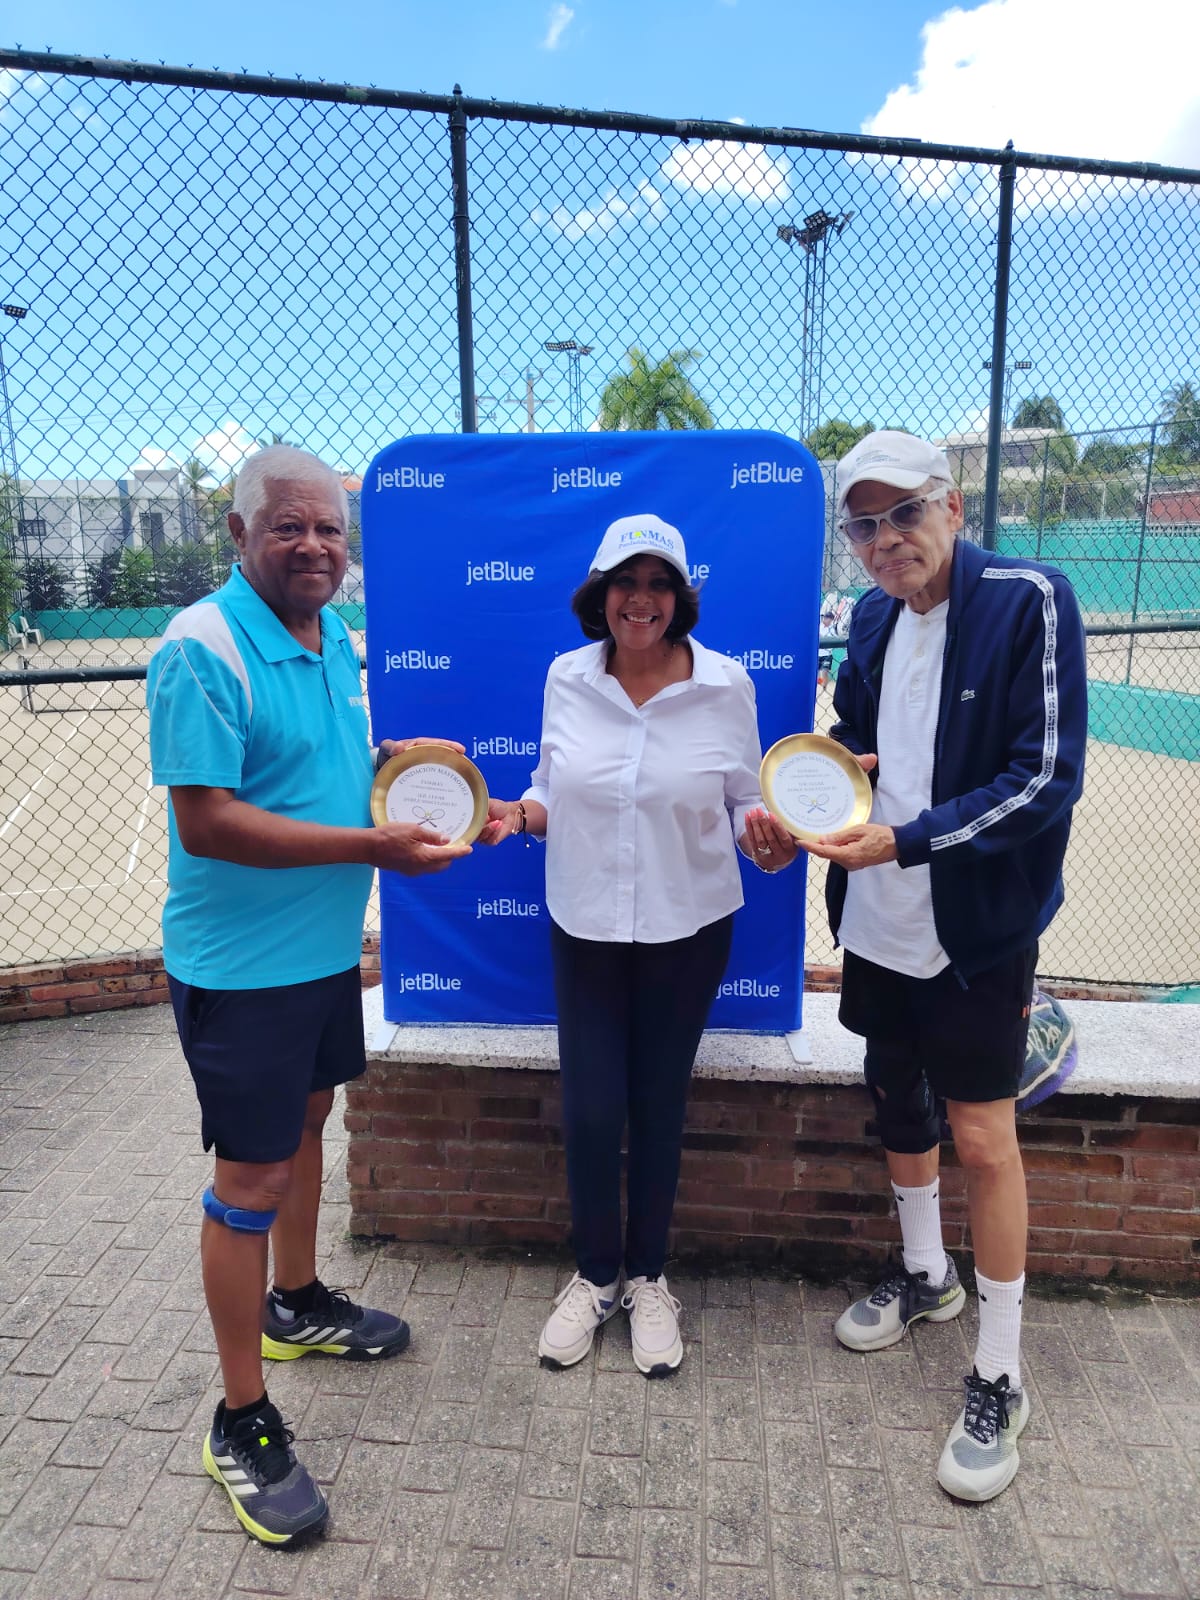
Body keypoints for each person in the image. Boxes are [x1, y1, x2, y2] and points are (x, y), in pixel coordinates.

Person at [146, 445, 470, 1546]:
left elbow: (318, 764)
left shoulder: (330, 633)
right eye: (289, 526)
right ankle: (240, 1416)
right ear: (238, 536)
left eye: (331, 527)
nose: (316, 545)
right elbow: (212, 821)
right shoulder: (201, 646)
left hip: (320, 955)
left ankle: (295, 1301)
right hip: (240, 974)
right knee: (252, 1172)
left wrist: (397, 765)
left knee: (310, 1120)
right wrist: (372, 841)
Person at [802, 430, 1086, 1503]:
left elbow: (1045, 779)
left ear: (952, 508)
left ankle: (1003, 1368)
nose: (884, 542)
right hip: (876, 911)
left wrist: (909, 841)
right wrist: (808, 810)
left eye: (902, 515)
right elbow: (855, 745)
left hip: (974, 927)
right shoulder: (871, 618)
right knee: (895, 1100)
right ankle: (926, 1275)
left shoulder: (1029, 599)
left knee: (983, 1132)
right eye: (863, 524)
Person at [482, 514, 797, 1376]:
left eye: (660, 583)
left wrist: (760, 830)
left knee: (658, 1106)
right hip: (583, 919)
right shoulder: (566, 678)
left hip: (687, 926)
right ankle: (594, 1278)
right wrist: (515, 816)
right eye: (627, 582)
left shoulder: (725, 686)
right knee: (589, 1113)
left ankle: (651, 1278)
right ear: (601, 594)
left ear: (680, 597)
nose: (642, 599)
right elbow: (550, 787)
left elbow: (741, 798)